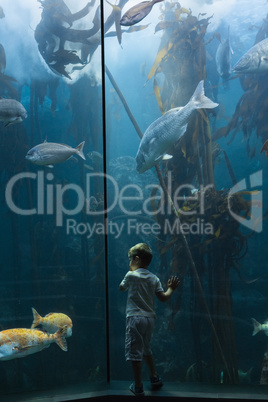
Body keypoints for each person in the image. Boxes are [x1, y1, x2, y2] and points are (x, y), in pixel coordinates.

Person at [119, 243, 180, 397]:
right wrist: (171, 288)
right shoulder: (154, 278)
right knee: (146, 348)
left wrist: (127, 279)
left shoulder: (130, 275)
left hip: (134, 318)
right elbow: (163, 298)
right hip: (150, 319)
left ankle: (138, 386)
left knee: (135, 351)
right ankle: (154, 377)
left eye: (130, 259)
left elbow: (121, 287)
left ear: (137, 259)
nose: (129, 263)